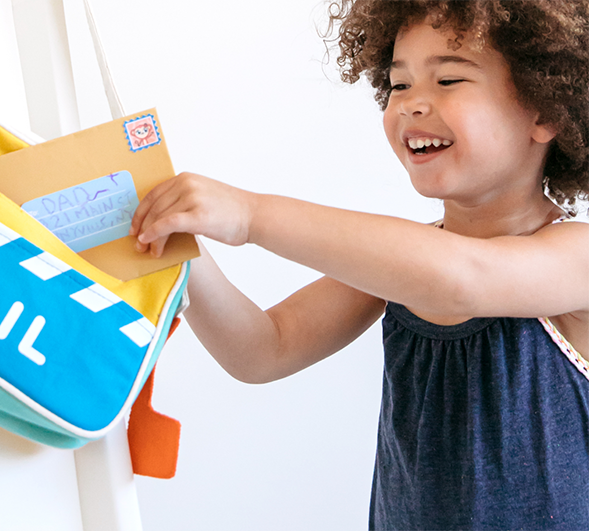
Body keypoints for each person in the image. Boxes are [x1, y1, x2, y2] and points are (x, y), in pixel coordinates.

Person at [130, 0, 589, 528]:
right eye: (399, 85)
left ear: (546, 111)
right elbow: (262, 350)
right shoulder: (403, 268)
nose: (413, 104)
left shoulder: (573, 256)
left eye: (449, 80)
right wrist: (184, 245)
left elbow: (463, 278)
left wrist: (251, 214)